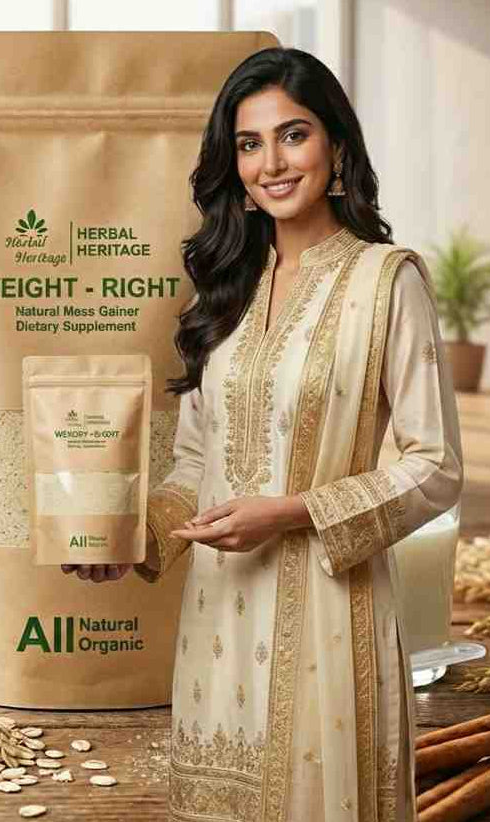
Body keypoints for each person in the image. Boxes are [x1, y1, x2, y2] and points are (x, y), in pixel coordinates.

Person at [62, 46, 464, 821]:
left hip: (327, 614)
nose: (271, 163)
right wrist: (136, 539)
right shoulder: (225, 290)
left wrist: (290, 513)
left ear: (336, 147)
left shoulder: (387, 279)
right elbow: (196, 460)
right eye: (250, 144)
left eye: (293, 135)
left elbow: (436, 465)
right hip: (217, 620)